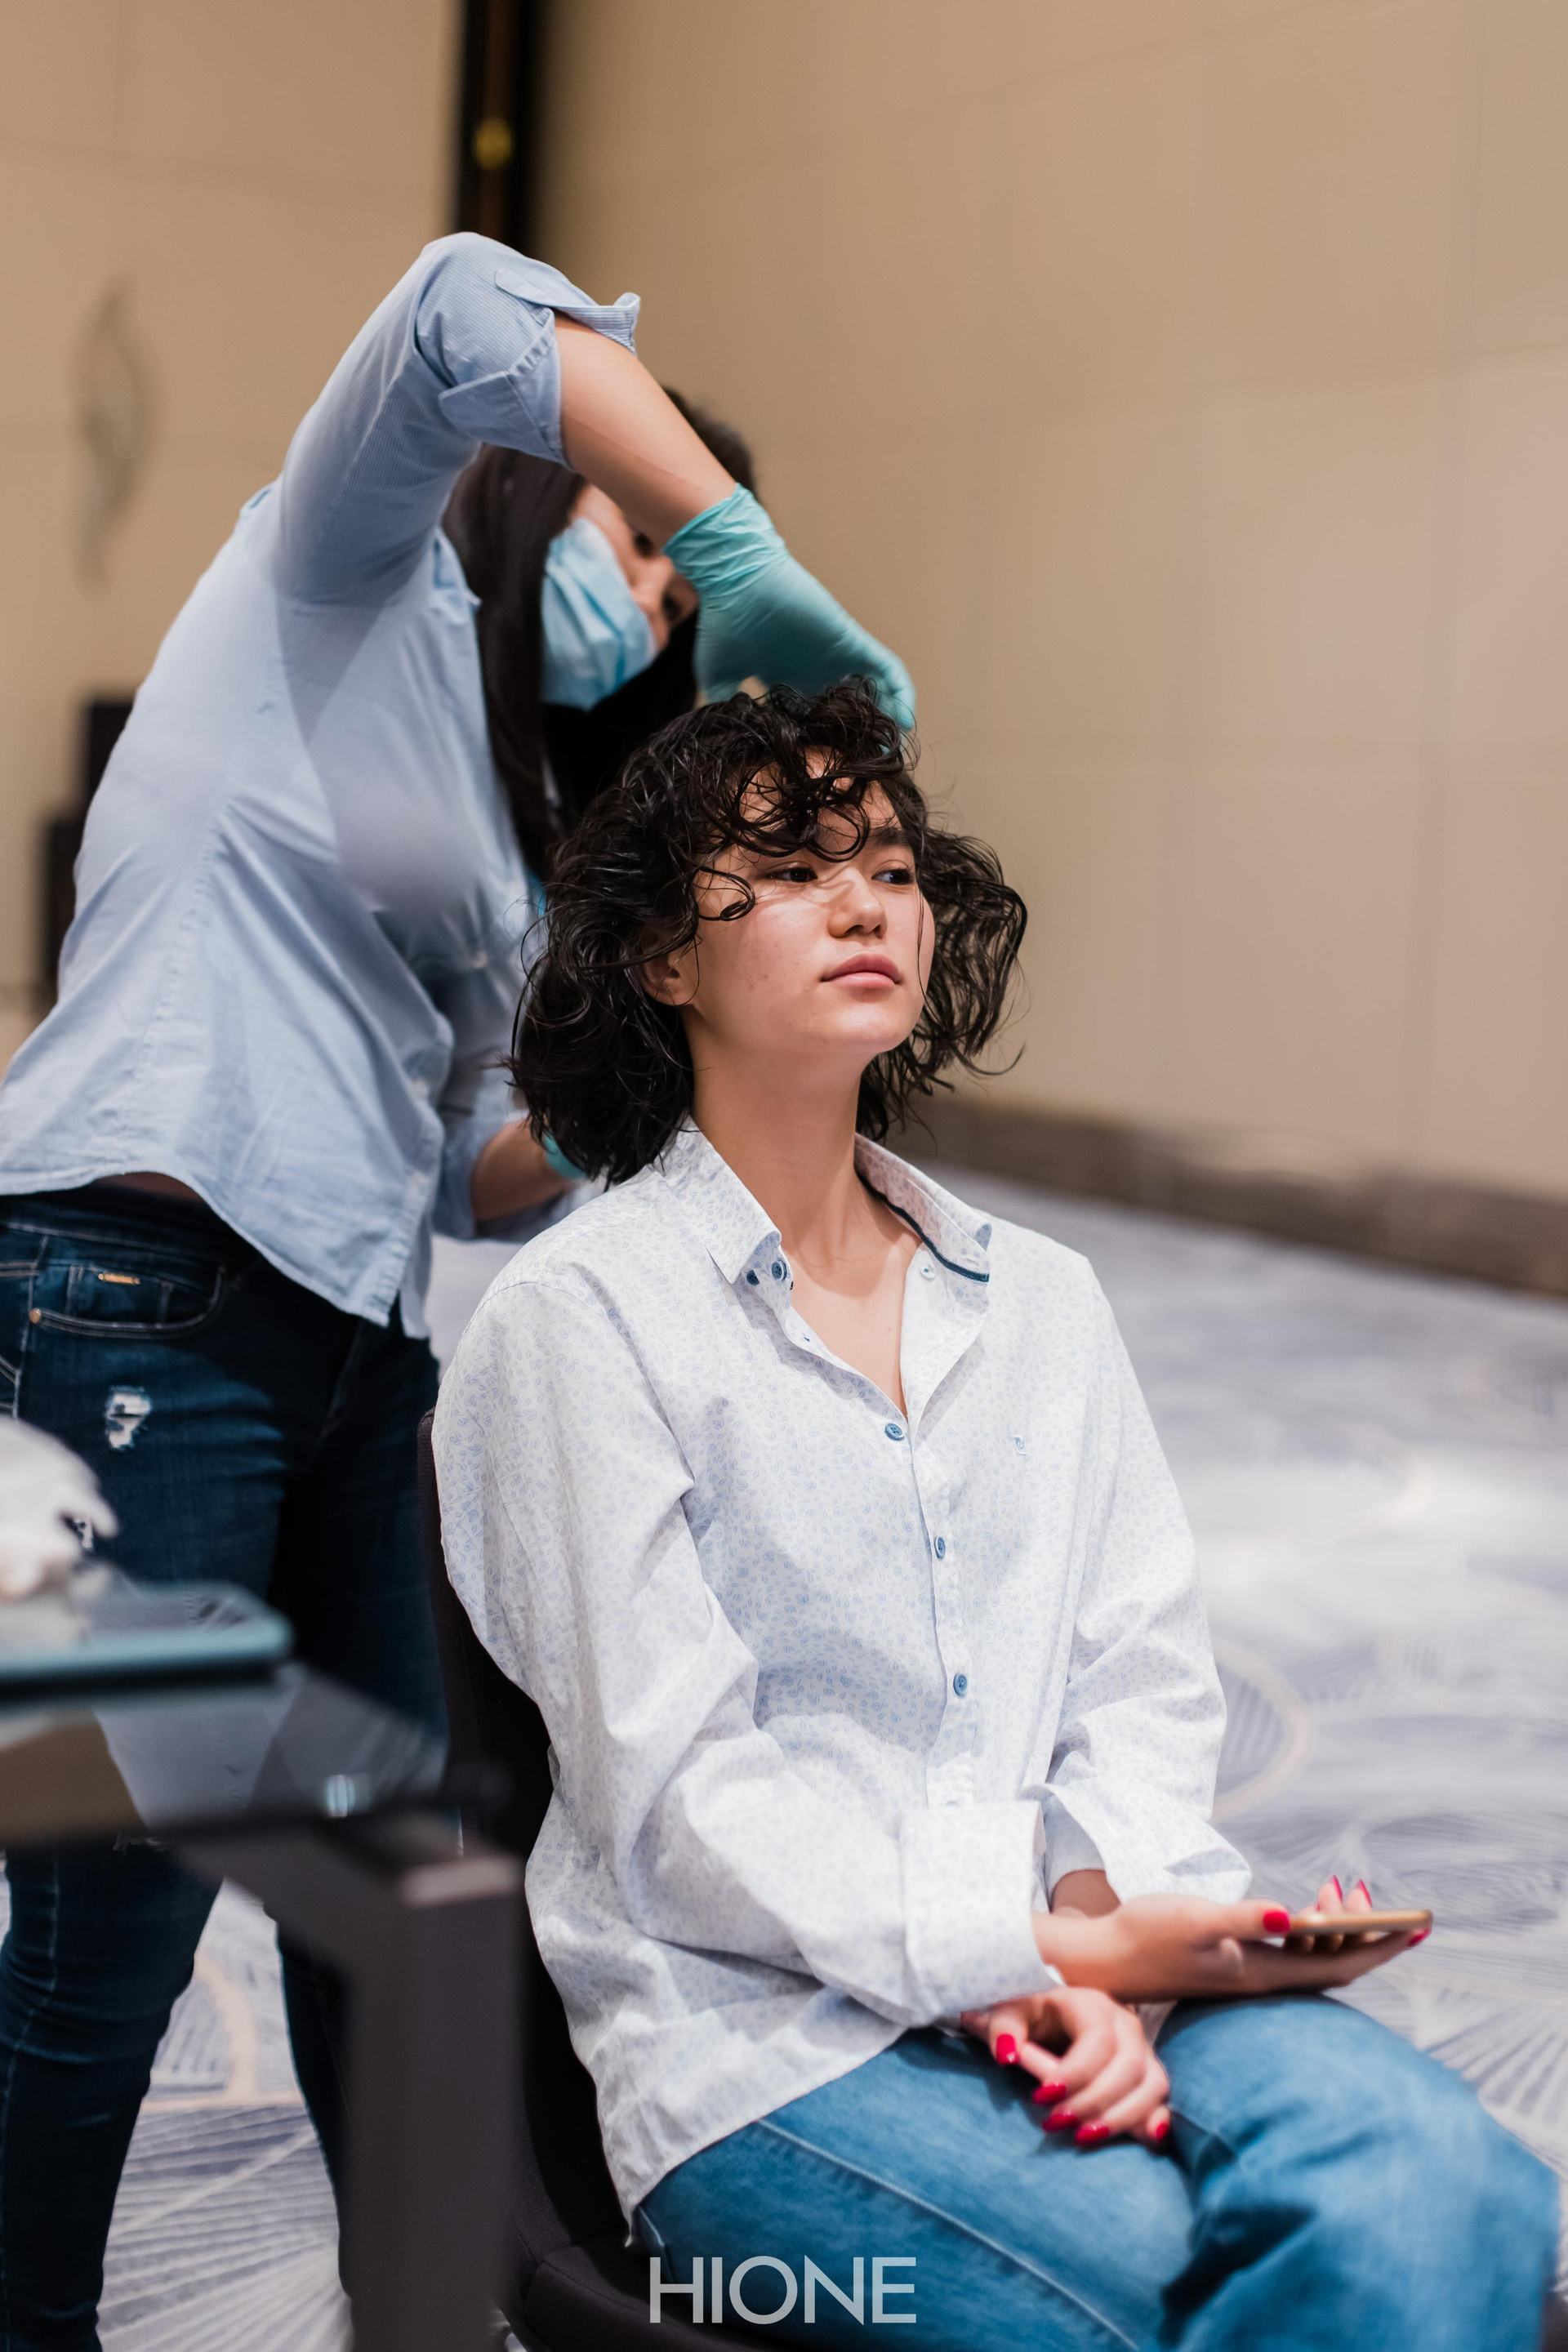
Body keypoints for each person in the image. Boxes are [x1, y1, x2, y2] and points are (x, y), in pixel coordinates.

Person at [0, 234, 911, 2351]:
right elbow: (453, 307)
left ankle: (415, 2310)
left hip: (347, 1345)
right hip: (140, 1287)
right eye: (638, 550)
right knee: (113, 1921)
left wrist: (660, 1084)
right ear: (537, 487)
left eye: (680, 598)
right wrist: (734, 529)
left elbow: (460, 1173)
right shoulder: (340, 569)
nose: (654, 606)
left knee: (398, 1888)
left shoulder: (508, 832)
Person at [433, 684, 1558, 2350]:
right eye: (792, 869)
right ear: (663, 956)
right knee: (1179, 2293)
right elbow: (682, 1807)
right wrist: (1004, 1956)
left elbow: (1144, 1685)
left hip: (1107, 1962)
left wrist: (1099, 1940)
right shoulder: (582, 1320)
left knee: (1462, 2201)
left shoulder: (1042, 1300)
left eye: (890, 866)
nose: (865, 903)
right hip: (771, 2047)